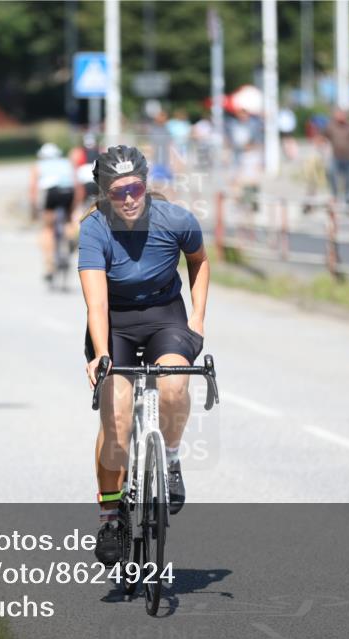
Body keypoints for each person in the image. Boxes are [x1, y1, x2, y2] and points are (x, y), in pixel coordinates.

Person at [78, 145, 210, 566]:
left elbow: (199, 262)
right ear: (104, 195)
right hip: (114, 321)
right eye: (118, 192)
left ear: (146, 184)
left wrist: (198, 321)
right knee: (115, 415)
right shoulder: (94, 229)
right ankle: (110, 514)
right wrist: (101, 354)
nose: (130, 198)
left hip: (164, 316)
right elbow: (96, 304)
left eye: (135, 187)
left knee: (173, 386)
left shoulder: (176, 220)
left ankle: (170, 459)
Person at [29, 143, 82, 283]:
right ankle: (71, 238)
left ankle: (49, 267)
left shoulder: (39, 165)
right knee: (68, 221)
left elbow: (33, 189)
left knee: (47, 228)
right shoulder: (67, 163)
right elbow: (77, 186)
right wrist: (74, 207)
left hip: (51, 193)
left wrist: (34, 209)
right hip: (68, 192)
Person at [323, 108, 349, 203]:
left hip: (348, 156)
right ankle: (334, 194)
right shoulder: (331, 127)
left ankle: (348, 196)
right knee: (332, 174)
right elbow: (324, 137)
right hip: (335, 155)